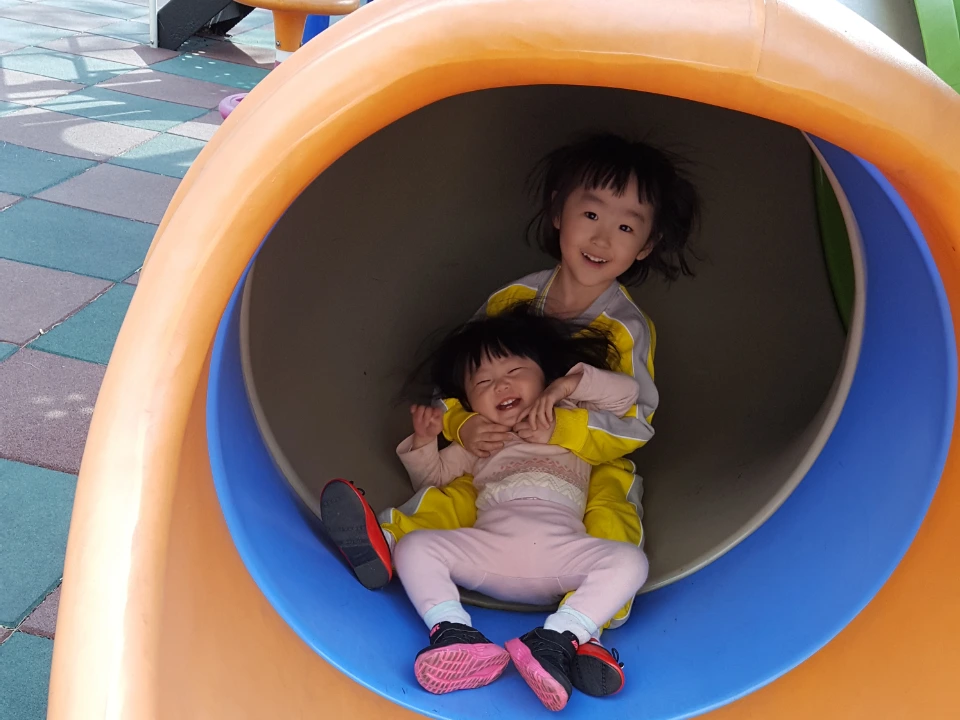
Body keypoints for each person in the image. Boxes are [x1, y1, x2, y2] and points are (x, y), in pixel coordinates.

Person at [318, 132, 701, 697]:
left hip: (588, 461)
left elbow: (637, 422)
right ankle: (389, 541)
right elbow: (459, 379)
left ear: (647, 245)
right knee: (460, 486)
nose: (601, 238)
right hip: (500, 455)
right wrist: (464, 425)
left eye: (626, 227)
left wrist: (564, 428)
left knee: (613, 512)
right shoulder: (511, 302)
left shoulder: (626, 329)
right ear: (558, 213)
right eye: (590, 214)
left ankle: (582, 631)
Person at [398, 305, 650, 709]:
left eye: (515, 371)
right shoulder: (480, 440)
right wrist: (426, 441)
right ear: (469, 400)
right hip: (489, 552)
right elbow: (434, 478)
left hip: (562, 556)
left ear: (544, 376)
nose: (501, 385)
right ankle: (454, 630)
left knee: (630, 562)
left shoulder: (571, 416)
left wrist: (563, 390)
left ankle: (558, 636)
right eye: (483, 382)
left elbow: (627, 393)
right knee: (414, 547)